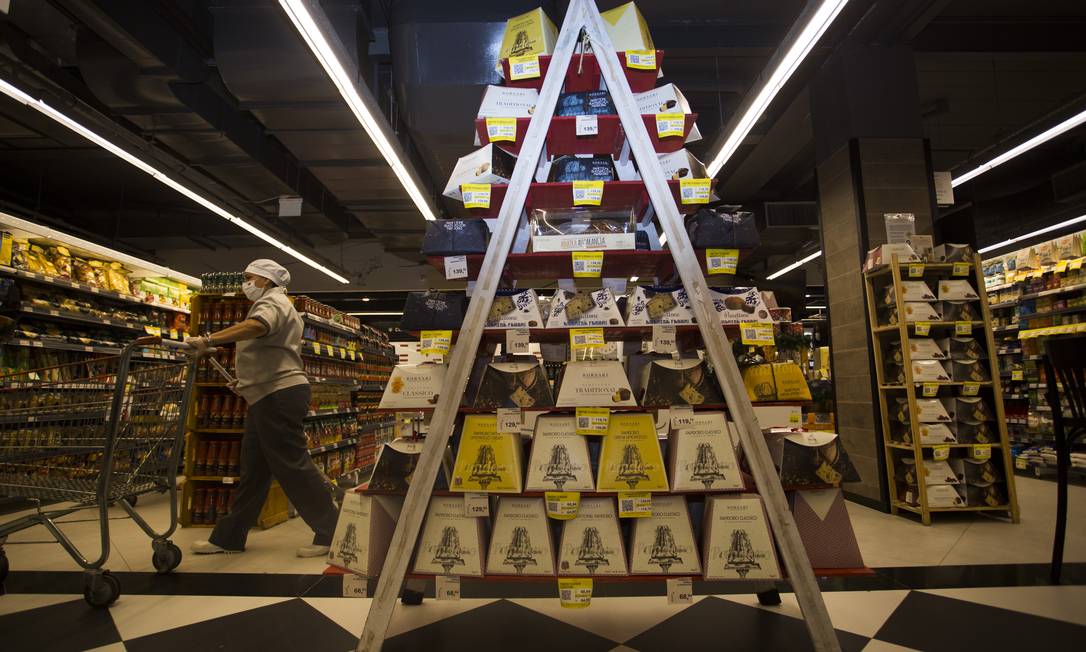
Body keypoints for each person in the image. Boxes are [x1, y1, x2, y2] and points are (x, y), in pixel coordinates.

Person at [186, 259, 338, 558]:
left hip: (278, 394)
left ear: (266, 280)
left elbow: (257, 327)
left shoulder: (273, 302)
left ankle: (332, 531)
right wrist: (246, 381)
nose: (245, 283)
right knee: (254, 469)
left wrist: (207, 339)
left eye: (249, 277)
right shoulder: (277, 302)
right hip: (266, 393)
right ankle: (229, 537)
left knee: (291, 464)